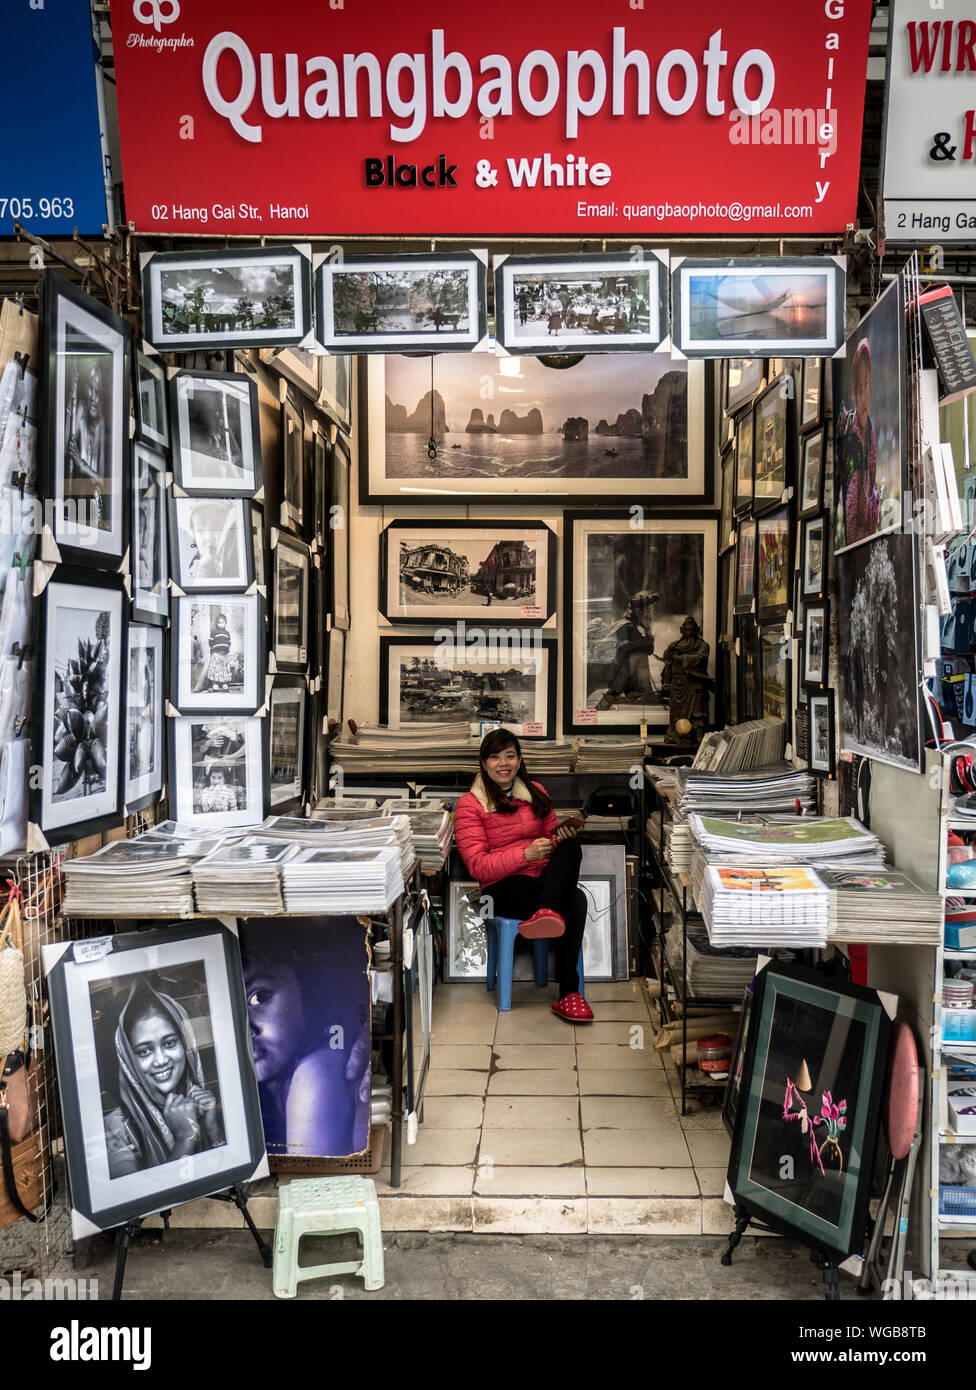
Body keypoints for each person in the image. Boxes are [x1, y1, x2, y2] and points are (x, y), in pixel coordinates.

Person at [453, 729, 593, 1022]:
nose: (503, 763)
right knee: (576, 900)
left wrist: (558, 838)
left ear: (519, 760)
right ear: (483, 762)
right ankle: (570, 992)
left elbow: (551, 840)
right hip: (501, 888)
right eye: (495, 757)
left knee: (571, 847)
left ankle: (568, 991)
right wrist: (525, 855)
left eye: (510, 755)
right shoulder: (469, 805)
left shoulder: (536, 792)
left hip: (541, 883)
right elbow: (477, 865)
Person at [243, 950, 370, 1156]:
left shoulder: (316, 1072)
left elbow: (312, 1183)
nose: (246, 1030)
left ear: (305, 989)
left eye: (259, 998)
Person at [103, 978, 223, 1178]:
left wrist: (212, 1128)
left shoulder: (203, 1103)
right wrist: (186, 1137)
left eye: (169, 1043)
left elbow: (226, 1177)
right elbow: (137, 1199)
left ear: (185, 1046)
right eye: (144, 1051)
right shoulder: (116, 1129)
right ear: (129, 1060)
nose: (160, 1060)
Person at [835, 338, 880, 547]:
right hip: (856, 540)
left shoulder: (870, 432)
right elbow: (853, 513)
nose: (864, 397)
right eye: (859, 389)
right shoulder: (848, 438)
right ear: (853, 393)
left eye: (867, 386)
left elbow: (872, 483)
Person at [599, 590, 661, 706]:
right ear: (638, 611)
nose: (652, 613)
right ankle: (647, 693)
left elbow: (649, 650)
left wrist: (648, 630)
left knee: (641, 654)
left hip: (619, 673)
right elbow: (622, 648)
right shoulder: (626, 625)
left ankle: (645, 693)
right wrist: (643, 641)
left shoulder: (637, 626)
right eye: (648, 610)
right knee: (640, 656)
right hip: (610, 676)